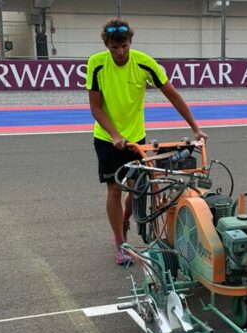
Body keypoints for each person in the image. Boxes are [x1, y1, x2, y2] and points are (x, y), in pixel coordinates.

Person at [87, 18, 207, 266]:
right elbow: (96, 108)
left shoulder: (144, 62)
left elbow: (173, 95)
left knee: (138, 189)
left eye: (124, 47)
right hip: (108, 138)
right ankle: (120, 243)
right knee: (115, 189)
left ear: (130, 43)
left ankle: (124, 220)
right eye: (114, 48)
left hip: (136, 138)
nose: (120, 52)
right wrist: (115, 136)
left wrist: (195, 128)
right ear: (107, 46)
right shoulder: (97, 64)